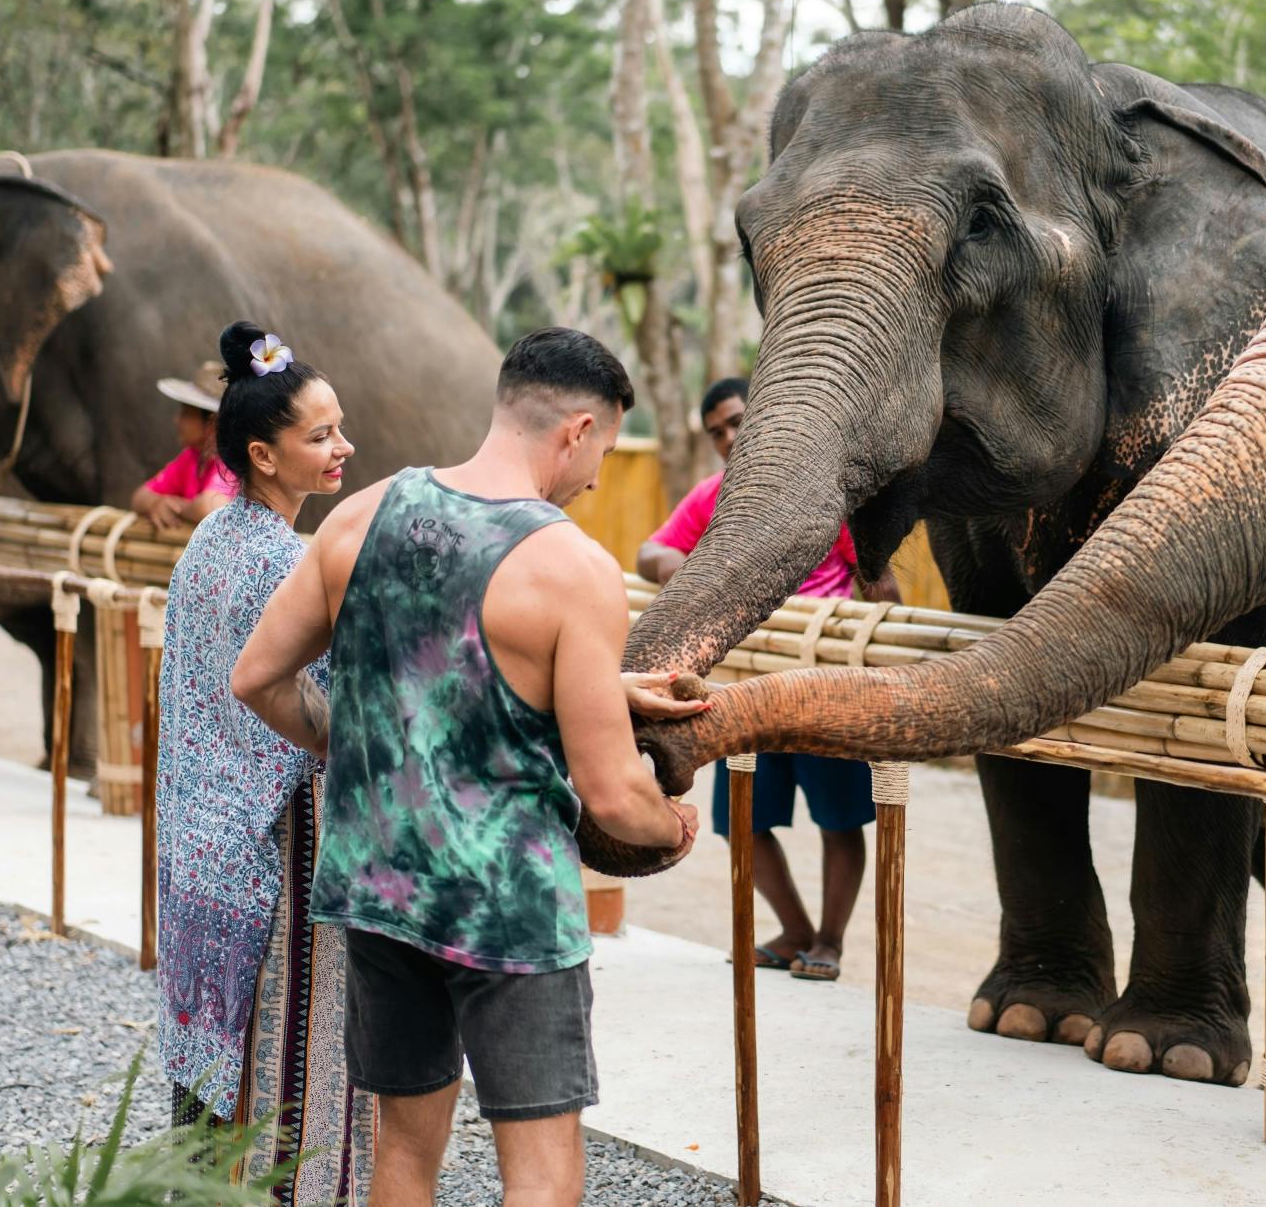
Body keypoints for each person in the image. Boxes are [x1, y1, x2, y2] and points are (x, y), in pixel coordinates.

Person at [233, 327, 702, 1207]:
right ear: (576, 430)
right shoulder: (573, 568)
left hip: (378, 887)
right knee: (542, 1165)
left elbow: (257, 677)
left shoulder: (363, 513)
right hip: (509, 912)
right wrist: (670, 828)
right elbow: (610, 793)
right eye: (599, 448)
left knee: (405, 1154)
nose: (597, 474)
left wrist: (367, 744)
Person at [154, 324, 372, 1200]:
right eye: (319, 435)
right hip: (267, 851)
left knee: (210, 1091)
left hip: (198, 854)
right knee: (271, 1073)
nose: (341, 447)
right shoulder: (292, 562)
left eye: (339, 426)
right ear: (262, 453)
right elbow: (332, 708)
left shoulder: (209, 542)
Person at [637, 376, 901, 983]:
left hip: (825, 688)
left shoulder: (828, 494)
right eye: (716, 432)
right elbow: (652, 552)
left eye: (736, 421)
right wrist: (683, 565)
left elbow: (882, 587)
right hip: (744, 691)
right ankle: (797, 933)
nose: (729, 437)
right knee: (743, 822)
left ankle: (829, 942)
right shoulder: (714, 498)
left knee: (838, 818)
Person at [132, 359, 237, 528]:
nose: (177, 421)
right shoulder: (191, 457)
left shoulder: (232, 460)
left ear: (212, 423)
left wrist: (176, 506)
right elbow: (140, 497)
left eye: (186, 414)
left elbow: (213, 508)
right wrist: (156, 503)